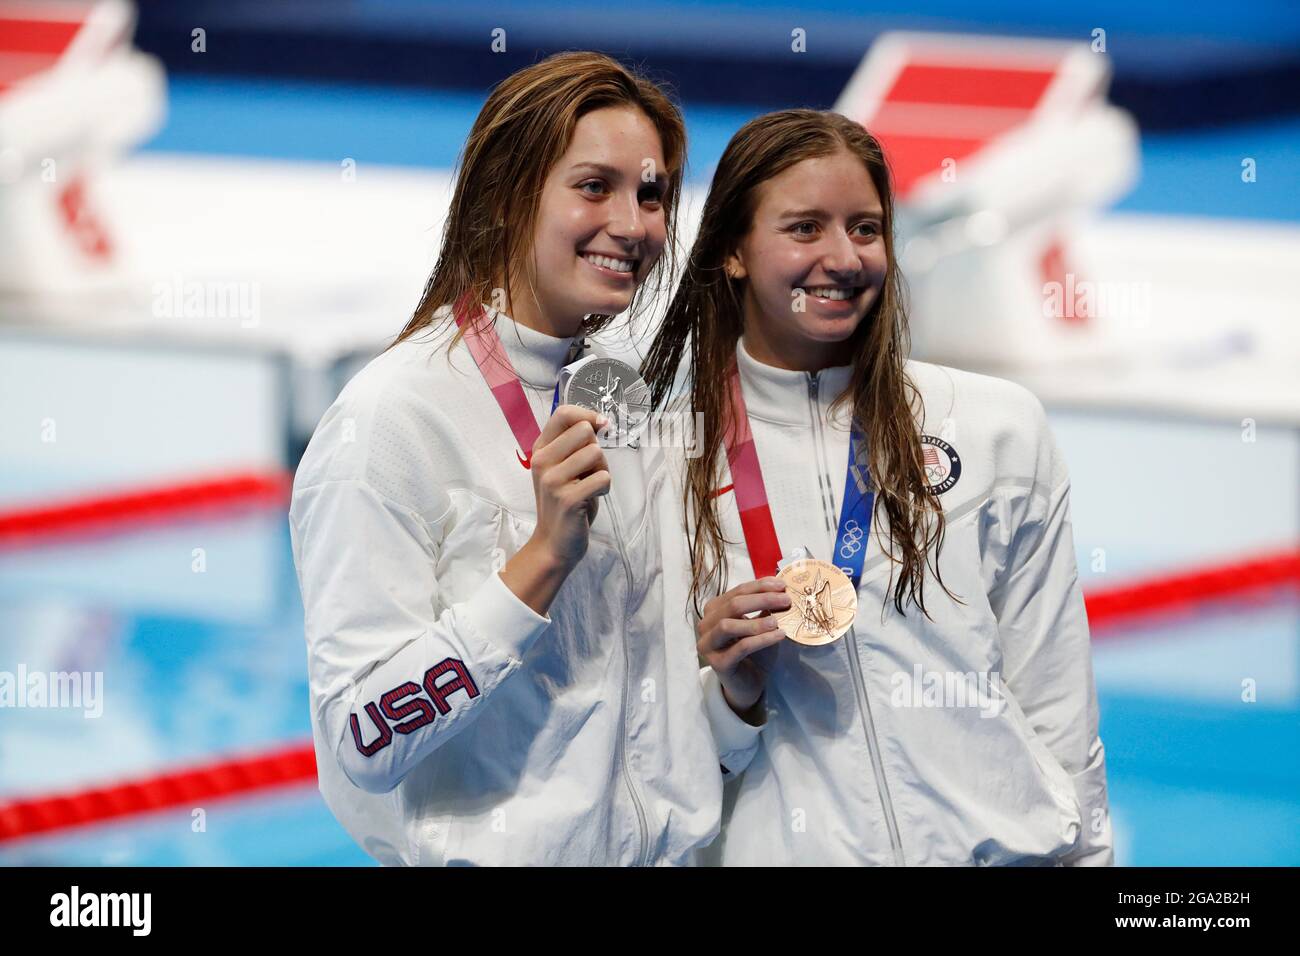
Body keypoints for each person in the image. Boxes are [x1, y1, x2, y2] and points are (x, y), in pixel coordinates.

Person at [641, 109, 1114, 866]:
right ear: (733, 250)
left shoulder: (994, 427)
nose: (843, 257)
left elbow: (1057, 700)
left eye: (865, 228)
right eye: (804, 229)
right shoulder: (659, 468)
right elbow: (649, 778)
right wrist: (730, 696)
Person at [289, 52, 720, 865]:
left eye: (651, 192)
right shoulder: (389, 421)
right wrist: (537, 564)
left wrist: (735, 693)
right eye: (594, 187)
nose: (633, 225)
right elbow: (362, 739)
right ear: (504, 196)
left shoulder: (625, 405)